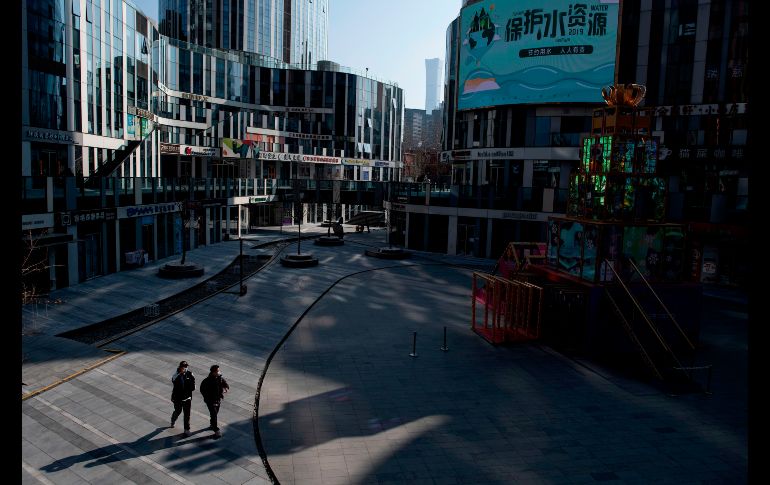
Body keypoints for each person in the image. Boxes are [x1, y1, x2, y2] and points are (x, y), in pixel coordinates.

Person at [200, 364, 230, 438]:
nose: (219, 372)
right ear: (213, 372)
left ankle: (212, 424)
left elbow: (223, 382)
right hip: (210, 401)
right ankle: (216, 430)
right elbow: (202, 390)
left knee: (215, 413)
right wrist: (207, 398)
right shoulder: (207, 381)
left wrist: (225, 386)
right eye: (217, 371)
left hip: (218, 399)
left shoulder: (219, 377)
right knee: (214, 414)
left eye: (219, 370)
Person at [170, 361, 195, 436]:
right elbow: (173, 380)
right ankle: (173, 420)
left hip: (187, 398)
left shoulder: (190, 374)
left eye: (186, 366)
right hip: (178, 398)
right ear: (180, 367)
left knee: (187, 414)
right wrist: (180, 373)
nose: (185, 368)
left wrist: (189, 381)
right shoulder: (176, 375)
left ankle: (186, 429)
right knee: (178, 411)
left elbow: (193, 386)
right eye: (183, 366)